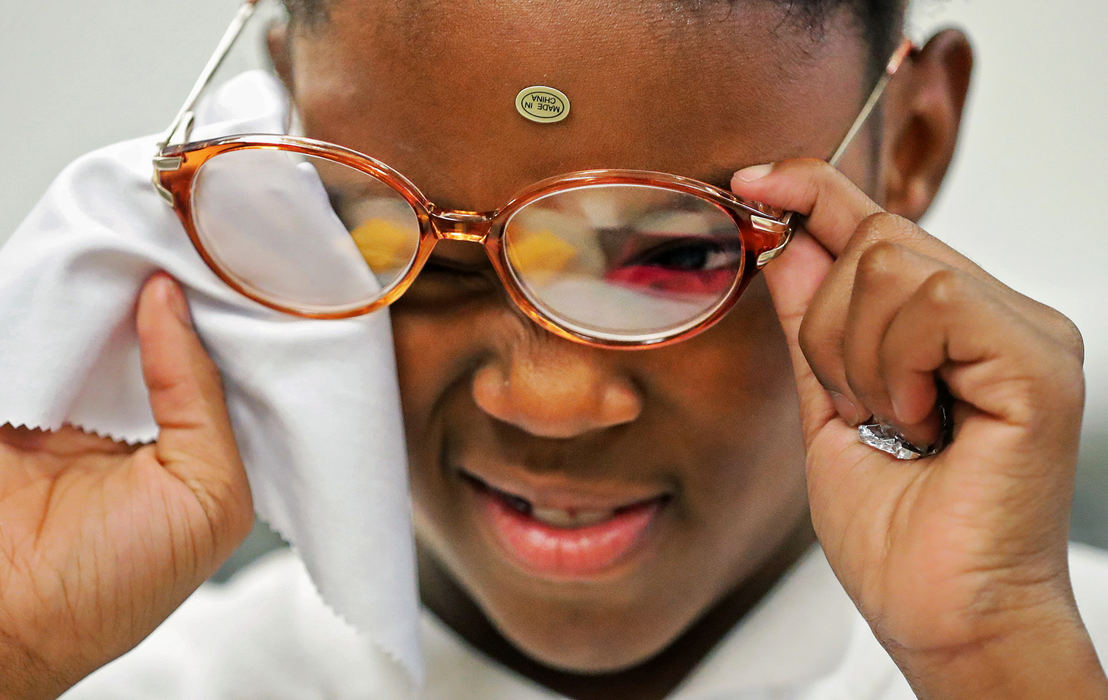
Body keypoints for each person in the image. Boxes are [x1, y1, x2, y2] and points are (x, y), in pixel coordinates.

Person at [2, 0, 1106, 697]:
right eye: (399, 238)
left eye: (674, 256)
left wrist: (992, 664)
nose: (548, 397)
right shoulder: (122, 673)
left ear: (905, 140)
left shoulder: (1055, 659)